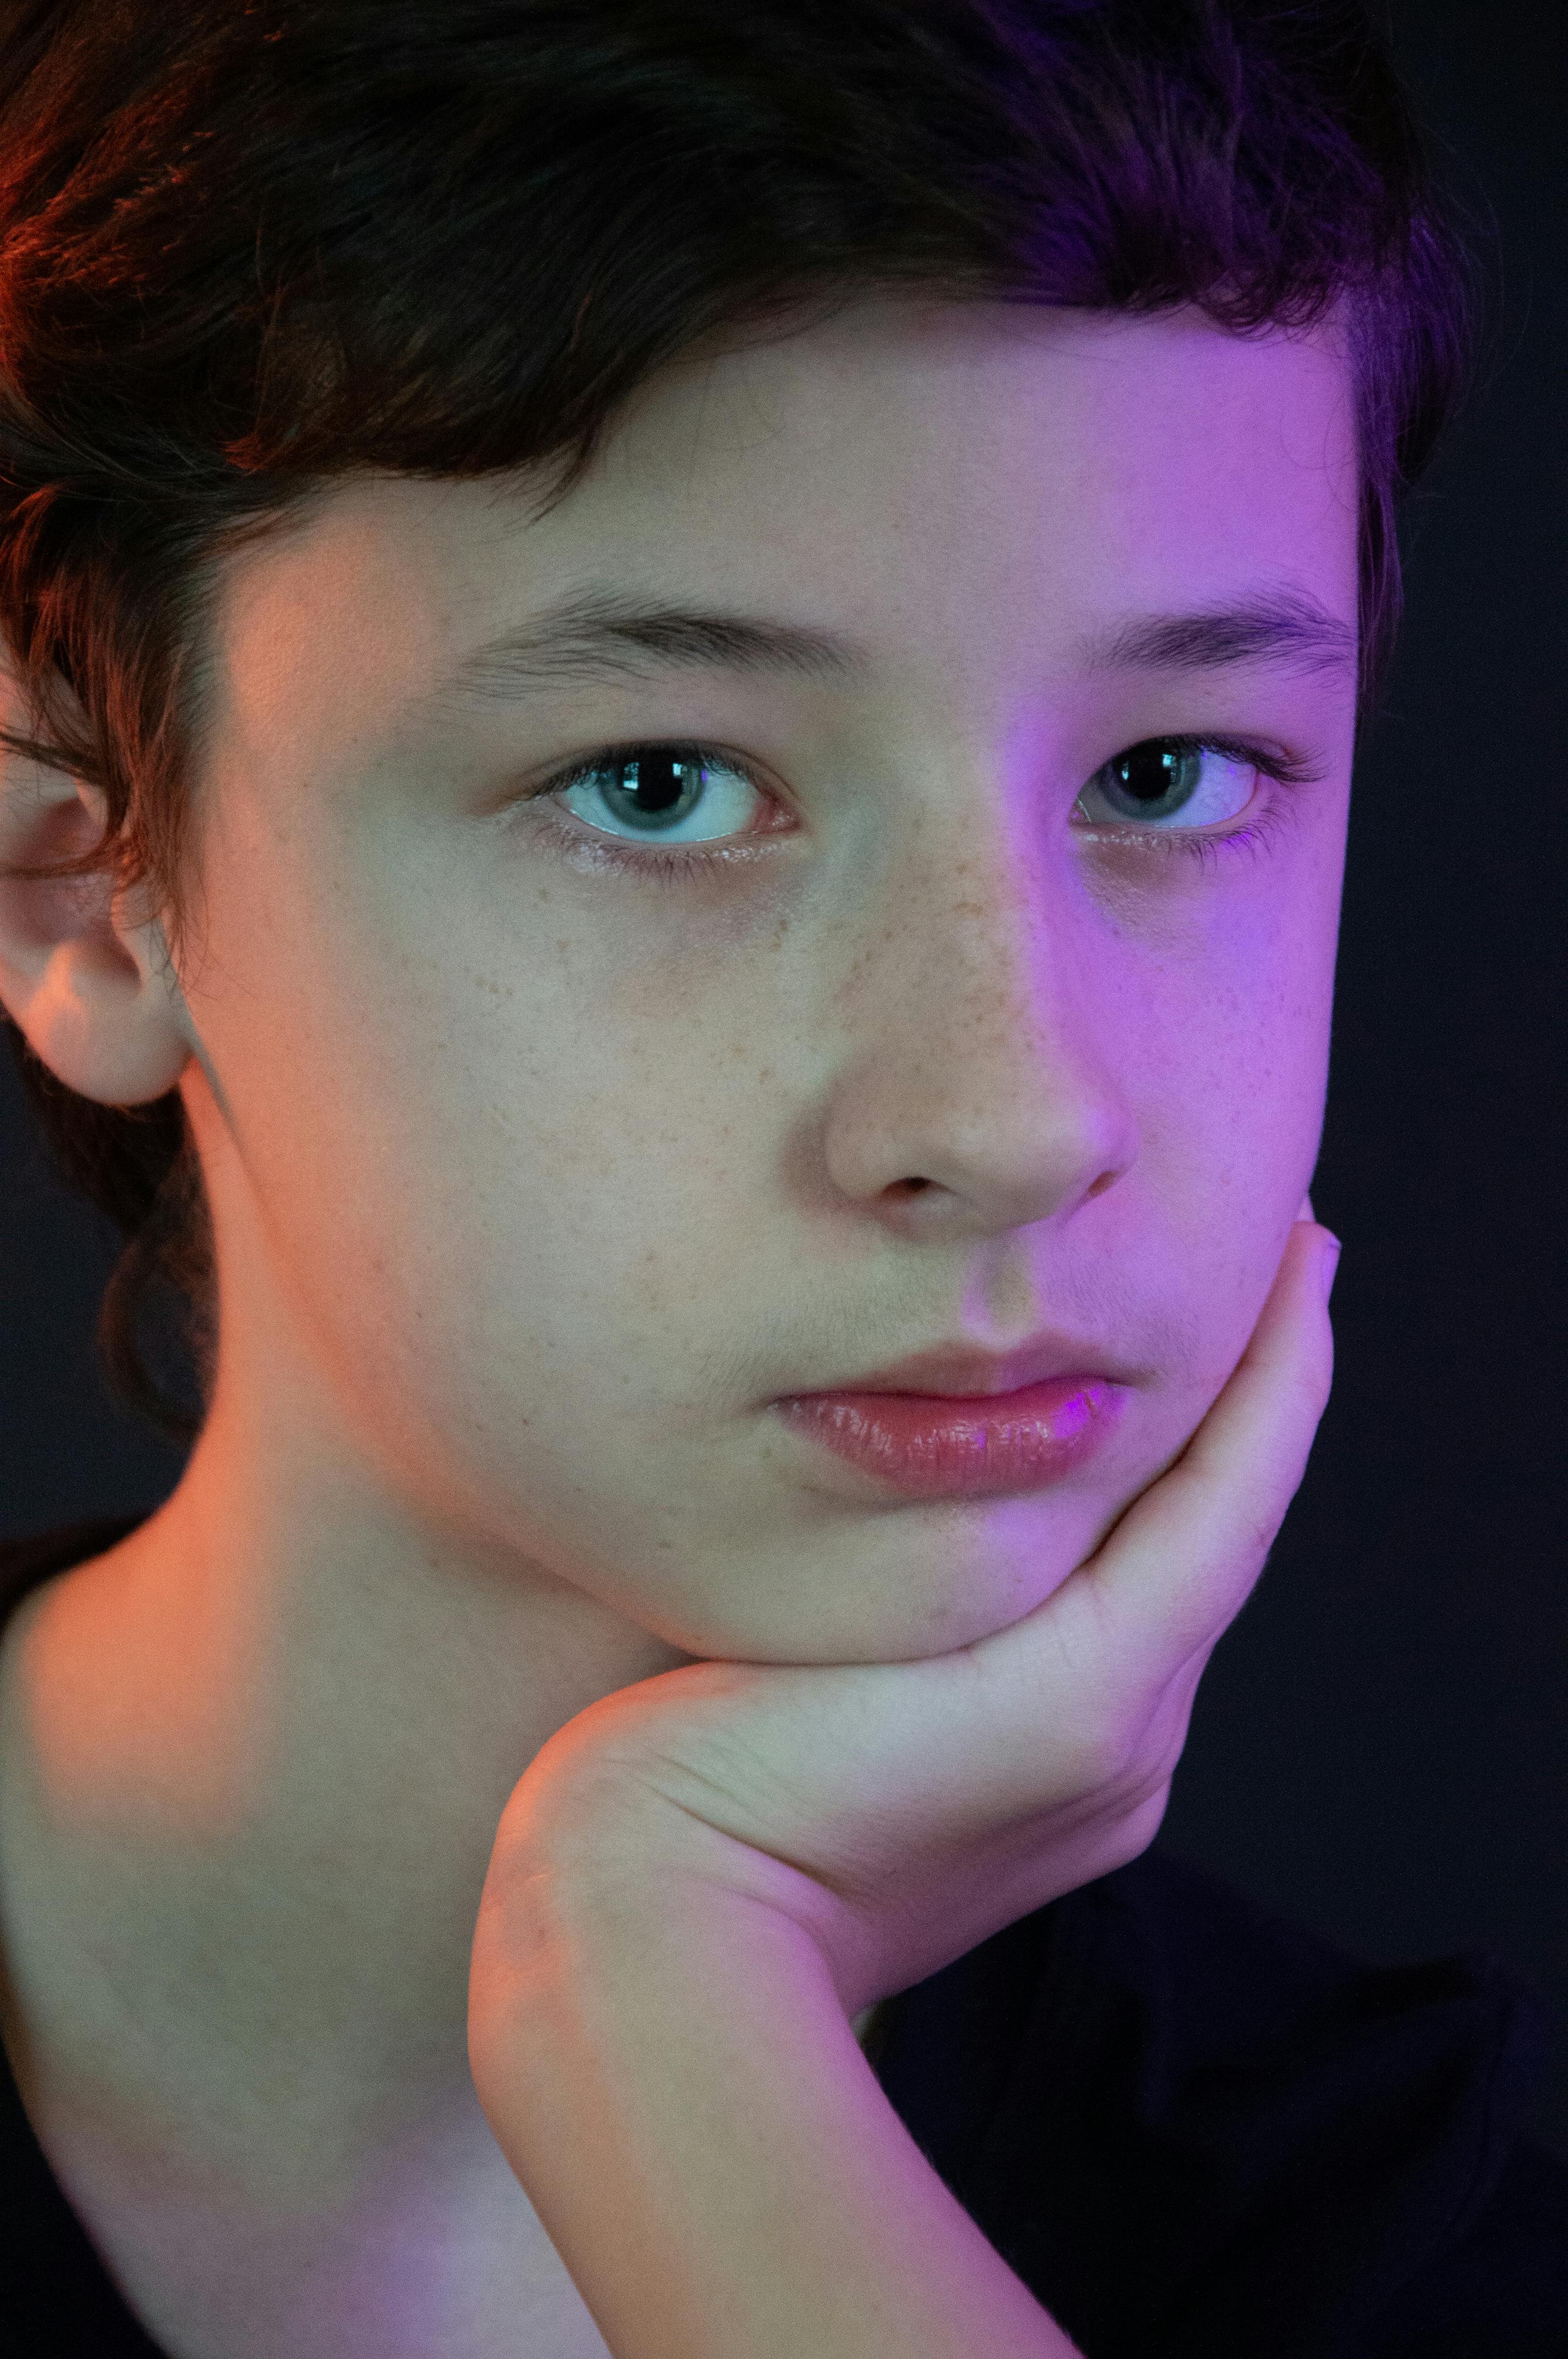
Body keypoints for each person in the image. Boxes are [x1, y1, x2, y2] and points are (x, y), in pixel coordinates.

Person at [0, 2, 1563, 2352]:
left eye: (1164, 771)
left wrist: (664, 1987)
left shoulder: (1386, 2247)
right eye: (658, 780)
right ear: (87, 879)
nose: (1015, 1112)